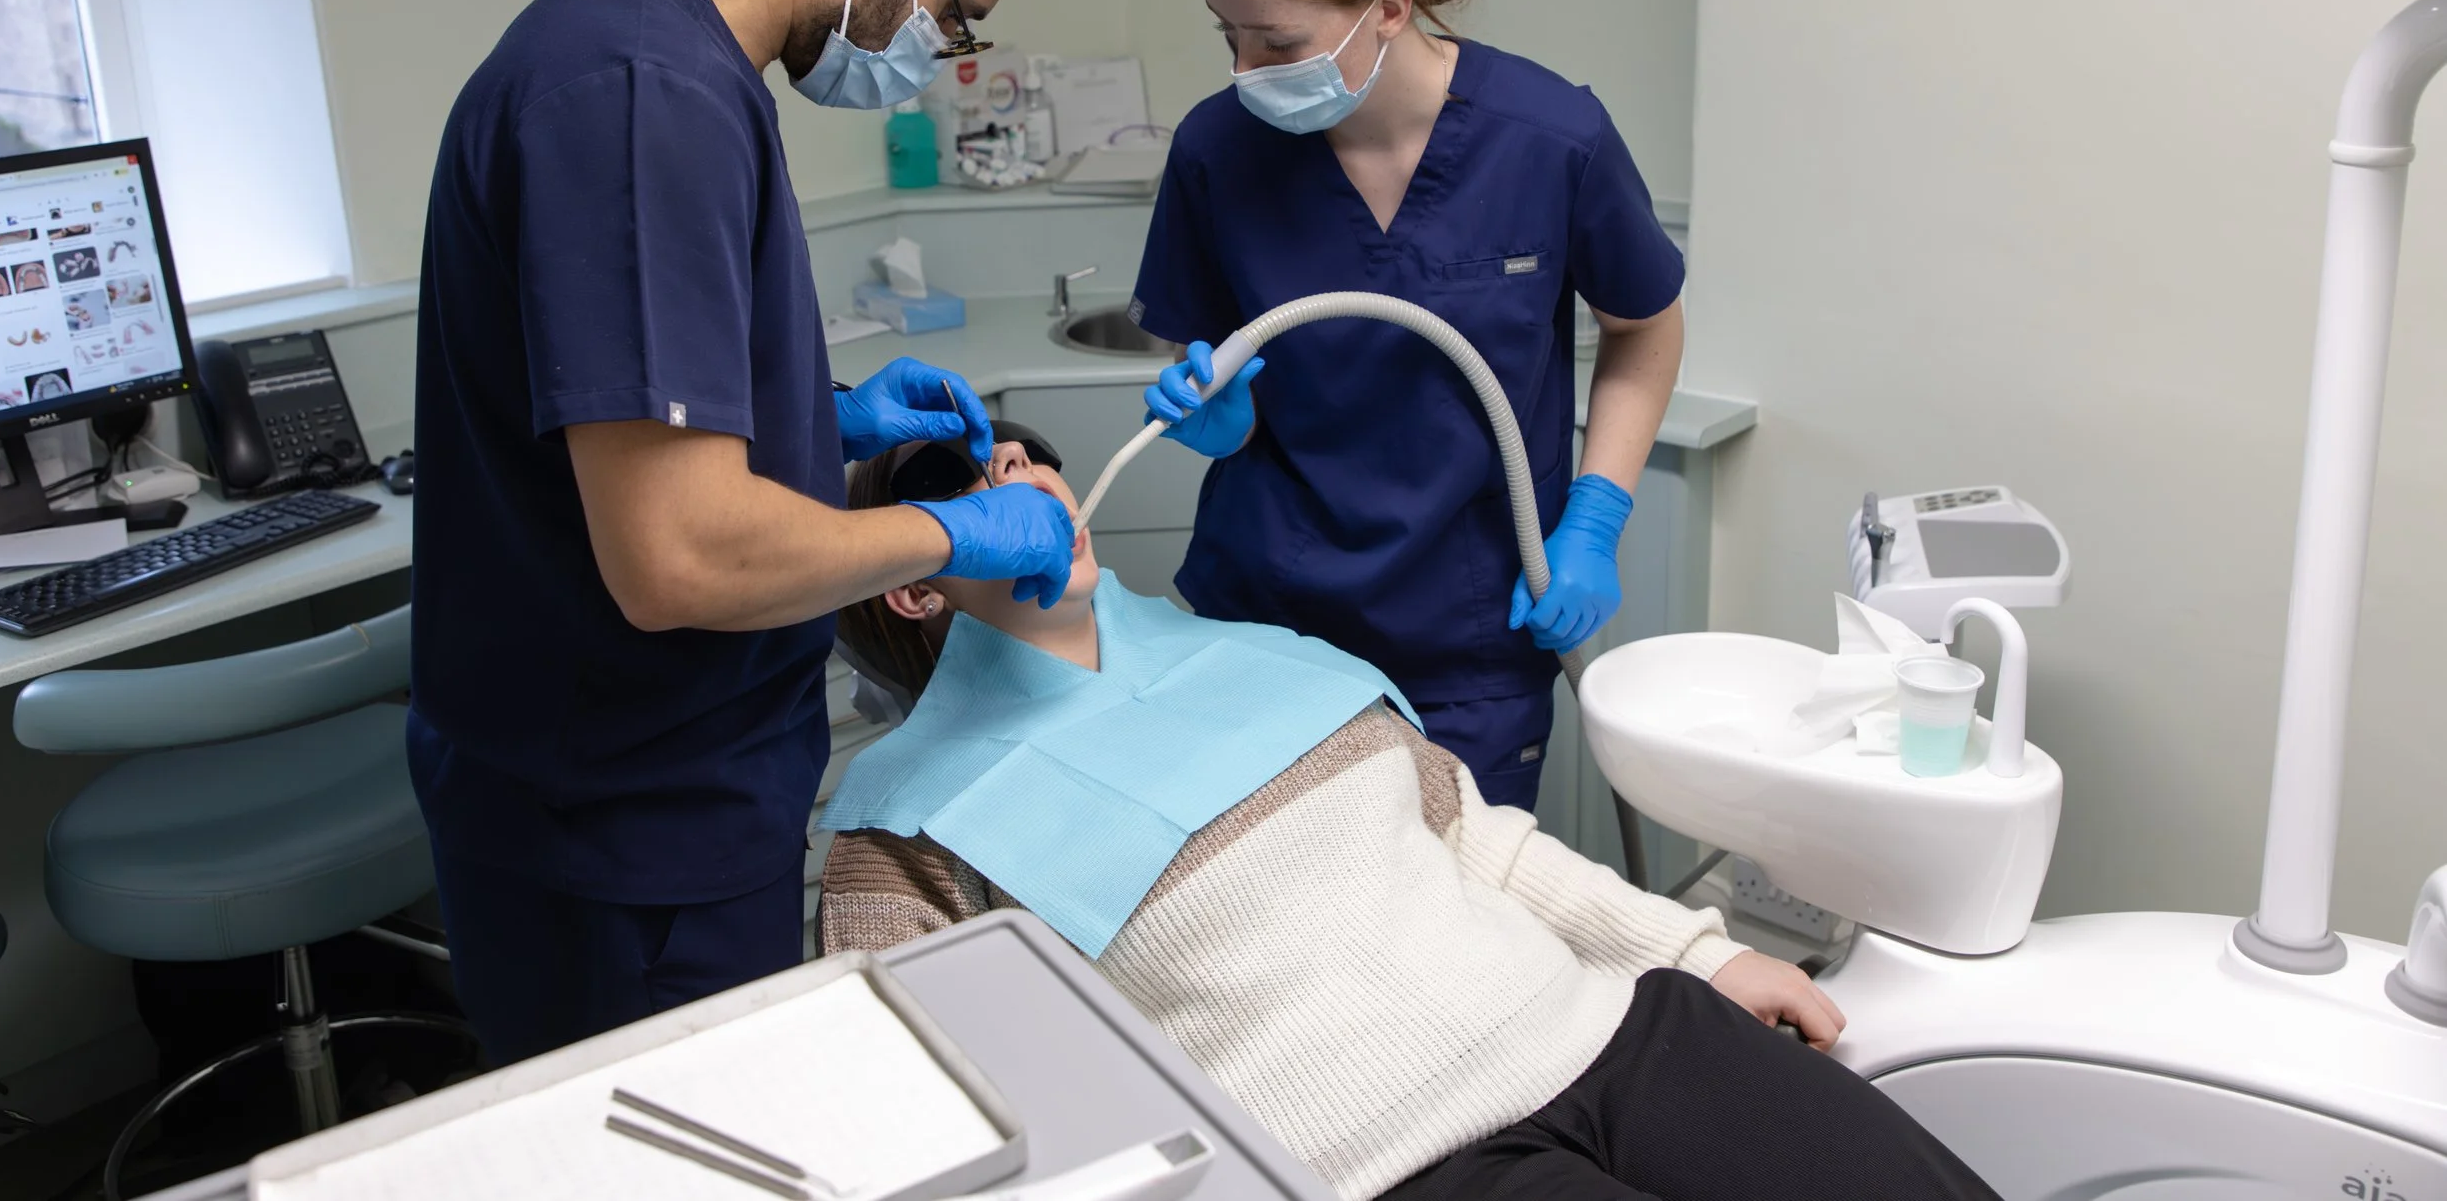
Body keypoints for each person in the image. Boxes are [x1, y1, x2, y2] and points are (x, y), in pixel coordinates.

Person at [820, 434, 1997, 1201]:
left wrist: (1698, 951)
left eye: (1019, 457)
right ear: (914, 581)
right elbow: (972, 1117)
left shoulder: (1257, 656)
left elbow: (1477, 843)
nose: (1021, 476)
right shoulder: (910, 832)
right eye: (970, 488)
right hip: (1397, 1159)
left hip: (1613, 1033)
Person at [409, 0, 1083, 1064]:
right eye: (951, 16)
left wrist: (825, 421)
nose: (942, 58)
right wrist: (960, 539)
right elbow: (680, 557)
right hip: (622, 825)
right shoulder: (639, 99)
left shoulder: (667, 59)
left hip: (657, 790)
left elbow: (615, 420)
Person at [1130, 0, 1685, 811]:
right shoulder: (1219, 150)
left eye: (1278, 40)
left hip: (1466, 642)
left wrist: (1594, 519)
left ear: (1390, 7)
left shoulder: (1549, 137)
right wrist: (1217, 409)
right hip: (1263, 629)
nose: (1246, 69)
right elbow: (1206, 345)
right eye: (1228, 34)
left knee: (1461, 934)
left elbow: (1645, 324)